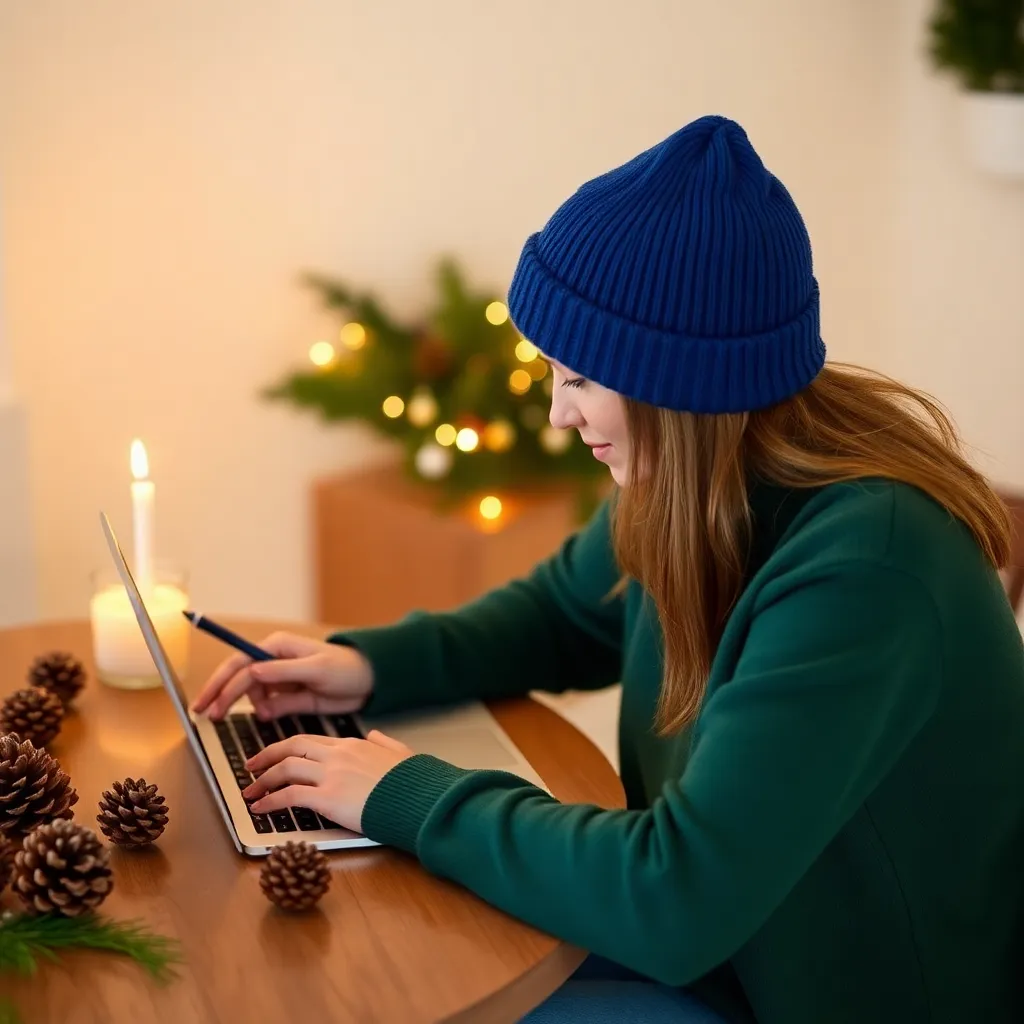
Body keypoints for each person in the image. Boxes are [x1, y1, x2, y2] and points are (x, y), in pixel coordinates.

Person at [193, 115, 1024, 1023]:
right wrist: (371, 664)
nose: (559, 414)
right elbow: (564, 612)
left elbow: (675, 898)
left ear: (677, 385)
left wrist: (405, 792)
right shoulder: (693, 471)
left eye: (582, 381)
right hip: (732, 950)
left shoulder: (866, 574)